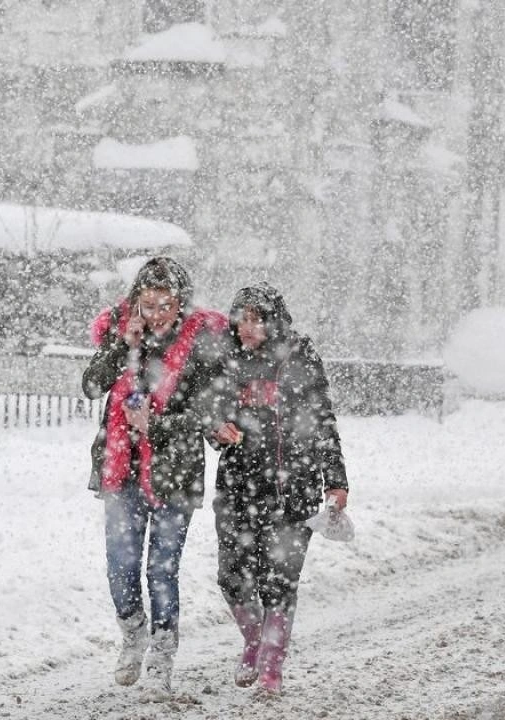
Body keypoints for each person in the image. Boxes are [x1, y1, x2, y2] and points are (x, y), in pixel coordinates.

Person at [81, 256, 228, 696]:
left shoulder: (200, 346)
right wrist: (120, 347)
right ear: (136, 302)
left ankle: (162, 656)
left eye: (166, 304)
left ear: (180, 303)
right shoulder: (123, 335)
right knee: (120, 566)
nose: (157, 314)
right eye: (148, 304)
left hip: (175, 475)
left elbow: (210, 414)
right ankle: (133, 633)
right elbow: (90, 386)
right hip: (120, 470)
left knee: (161, 570)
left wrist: (157, 426)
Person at [209, 282, 349, 695]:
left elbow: (323, 423)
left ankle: (272, 663)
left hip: (293, 489)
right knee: (232, 576)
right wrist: (217, 429)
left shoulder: (300, 360)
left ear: (274, 322)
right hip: (237, 488)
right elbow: (210, 414)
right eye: (241, 320)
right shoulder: (227, 362)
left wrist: (336, 481)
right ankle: (253, 640)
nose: (247, 328)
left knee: (279, 580)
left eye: (256, 320)